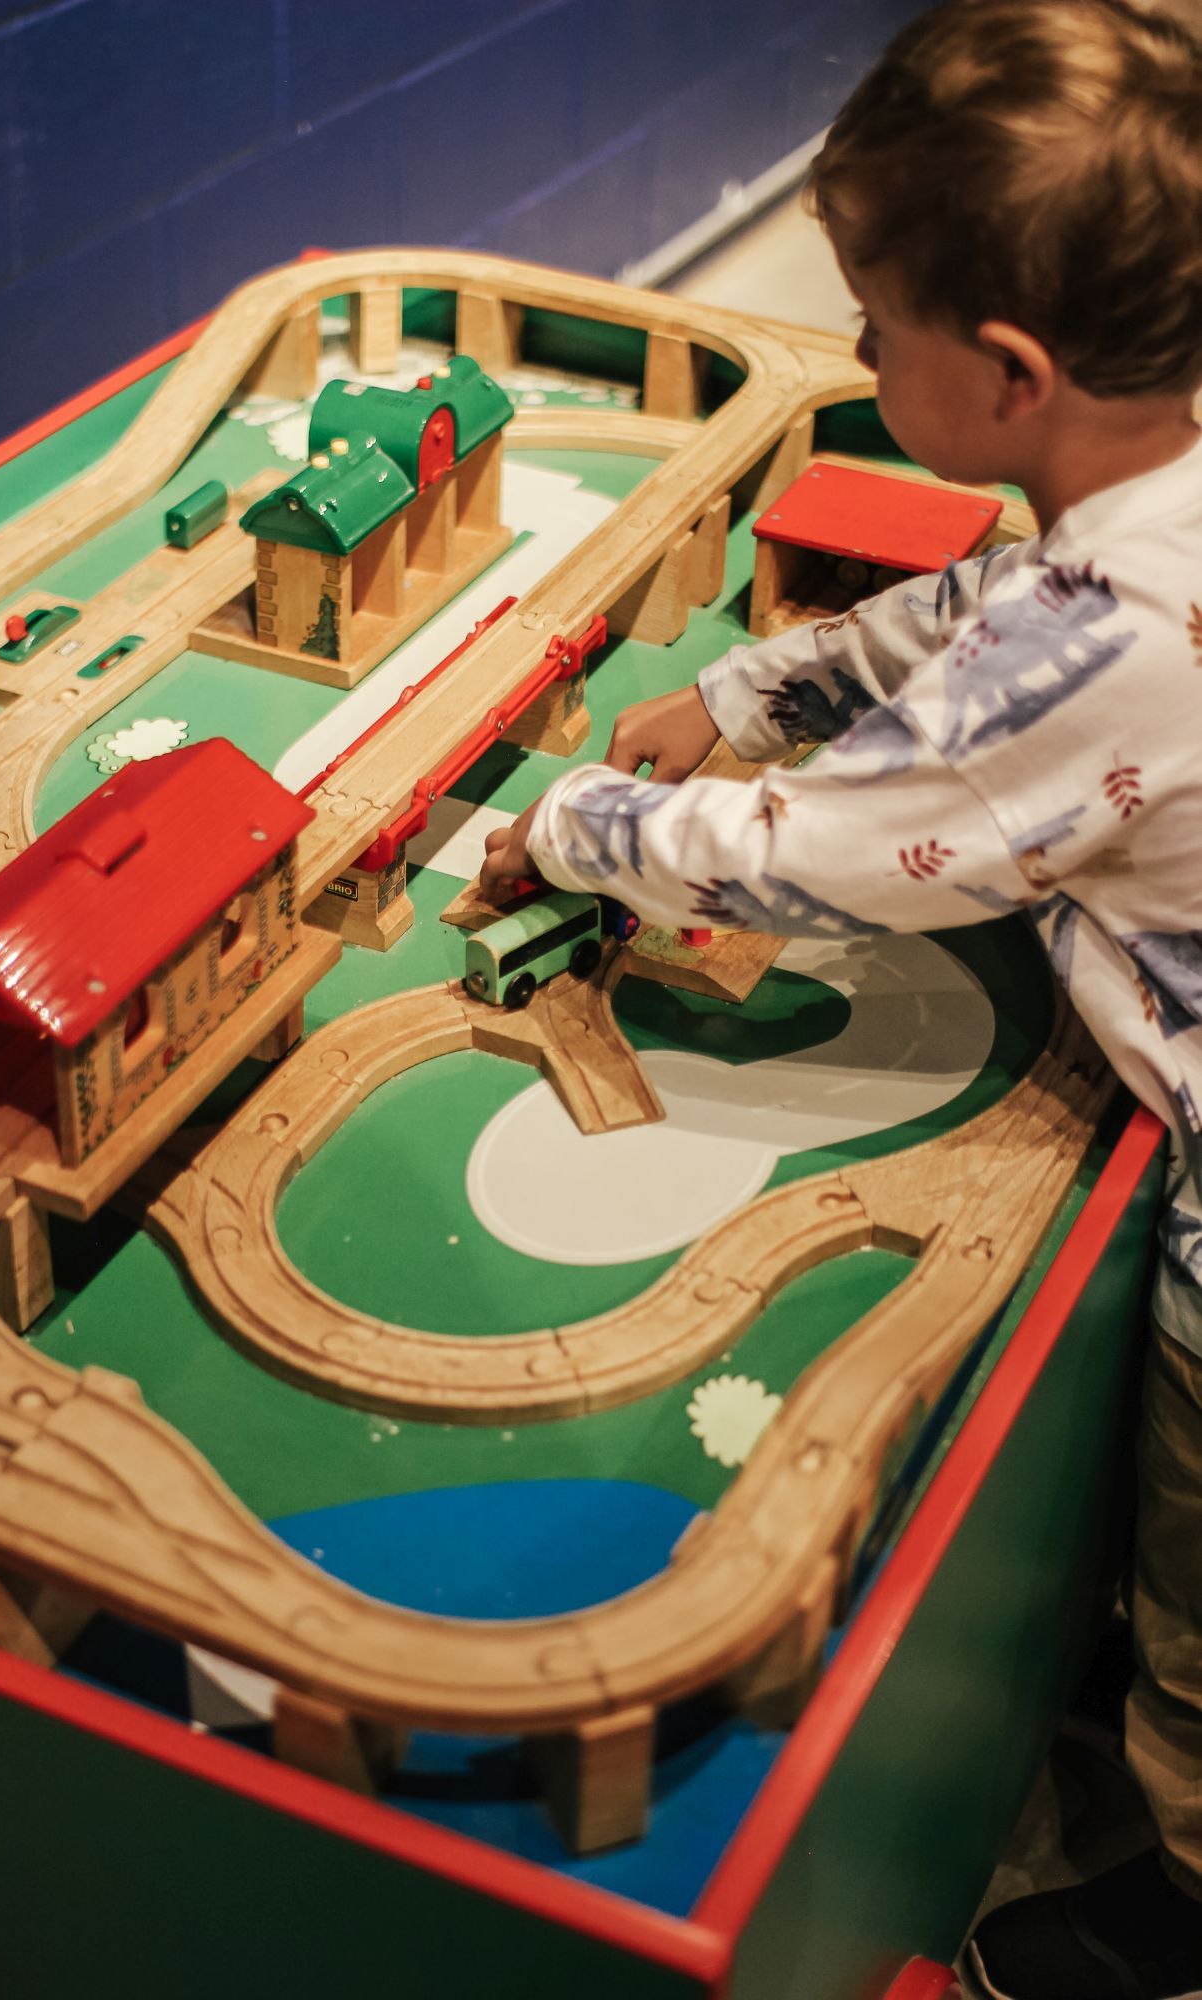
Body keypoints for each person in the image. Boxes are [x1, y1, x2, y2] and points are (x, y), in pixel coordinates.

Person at [480, 3, 1202, 1994]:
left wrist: (582, 825)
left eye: (872, 328)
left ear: (1007, 373)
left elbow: (844, 845)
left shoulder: (1125, 632)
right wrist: (747, 685)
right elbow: (983, 615)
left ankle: (1180, 1897)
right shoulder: (1145, 489)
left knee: (1199, 1569)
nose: (859, 361)